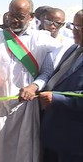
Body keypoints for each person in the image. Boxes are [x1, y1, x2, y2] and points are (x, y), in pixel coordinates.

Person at [0, 0, 63, 162]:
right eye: (10, 15)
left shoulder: (42, 40)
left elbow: (47, 71)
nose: (13, 20)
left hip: (25, 107)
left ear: (31, 16)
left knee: (22, 151)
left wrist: (34, 86)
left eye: (20, 16)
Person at [20, 9, 83, 162]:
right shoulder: (73, 49)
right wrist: (35, 86)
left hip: (75, 139)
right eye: (73, 25)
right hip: (55, 133)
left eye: (80, 27)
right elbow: (51, 76)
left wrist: (57, 99)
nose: (74, 30)